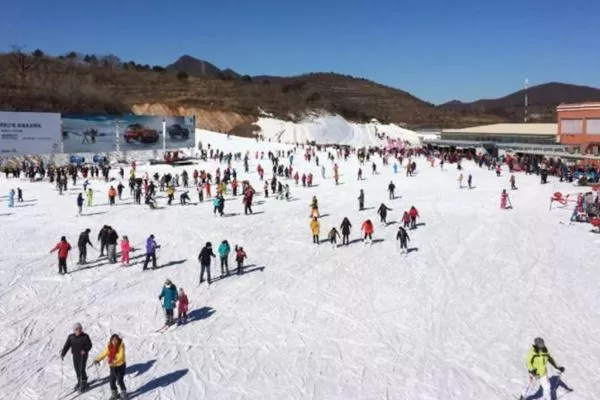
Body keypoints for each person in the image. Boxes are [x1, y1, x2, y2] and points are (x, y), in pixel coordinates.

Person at [60, 322, 92, 393]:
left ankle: (83, 382)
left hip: (83, 355)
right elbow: (67, 346)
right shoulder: (71, 337)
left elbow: (89, 345)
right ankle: (79, 381)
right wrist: (63, 353)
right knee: (77, 369)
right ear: (74, 330)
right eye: (77, 329)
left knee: (81, 368)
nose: (79, 330)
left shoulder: (85, 336)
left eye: (80, 328)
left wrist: (85, 350)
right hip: (75, 355)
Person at [94, 334, 127, 400]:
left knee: (120, 380)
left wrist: (115, 361)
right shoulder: (109, 347)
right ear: (111, 340)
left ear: (118, 340)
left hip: (120, 366)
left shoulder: (121, 346)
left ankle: (123, 393)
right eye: (113, 340)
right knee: (112, 380)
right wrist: (98, 359)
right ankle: (114, 394)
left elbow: (121, 356)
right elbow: (104, 353)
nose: (114, 341)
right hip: (112, 367)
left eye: (116, 340)